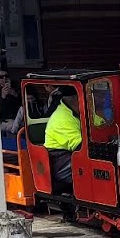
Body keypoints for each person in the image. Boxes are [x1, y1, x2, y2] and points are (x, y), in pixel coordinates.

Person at [43, 86, 82, 219]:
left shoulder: (76, 112)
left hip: (67, 155)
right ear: (75, 99)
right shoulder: (62, 118)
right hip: (60, 162)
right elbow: (79, 144)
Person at [0, 69, 24, 135]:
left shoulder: (15, 88)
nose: (4, 78)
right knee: (12, 126)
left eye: (6, 76)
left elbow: (22, 104)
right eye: (1, 77)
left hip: (17, 118)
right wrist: (3, 97)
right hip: (3, 120)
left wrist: (15, 94)